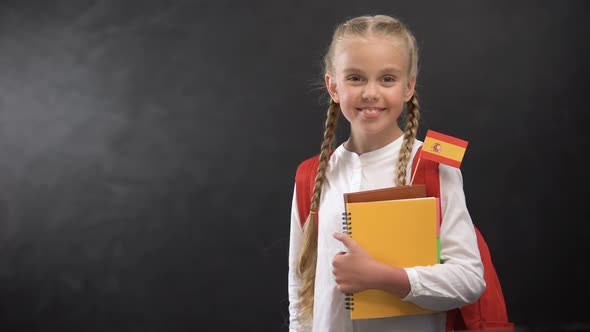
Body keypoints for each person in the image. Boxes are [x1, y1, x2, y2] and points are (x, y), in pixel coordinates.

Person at [287, 14, 486, 331]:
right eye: (355, 78)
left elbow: (470, 280)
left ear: (409, 86)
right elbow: (300, 293)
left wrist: (384, 278)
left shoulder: (432, 166)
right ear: (333, 86)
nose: (370, 92)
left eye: (387, 79)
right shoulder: (310, 175)